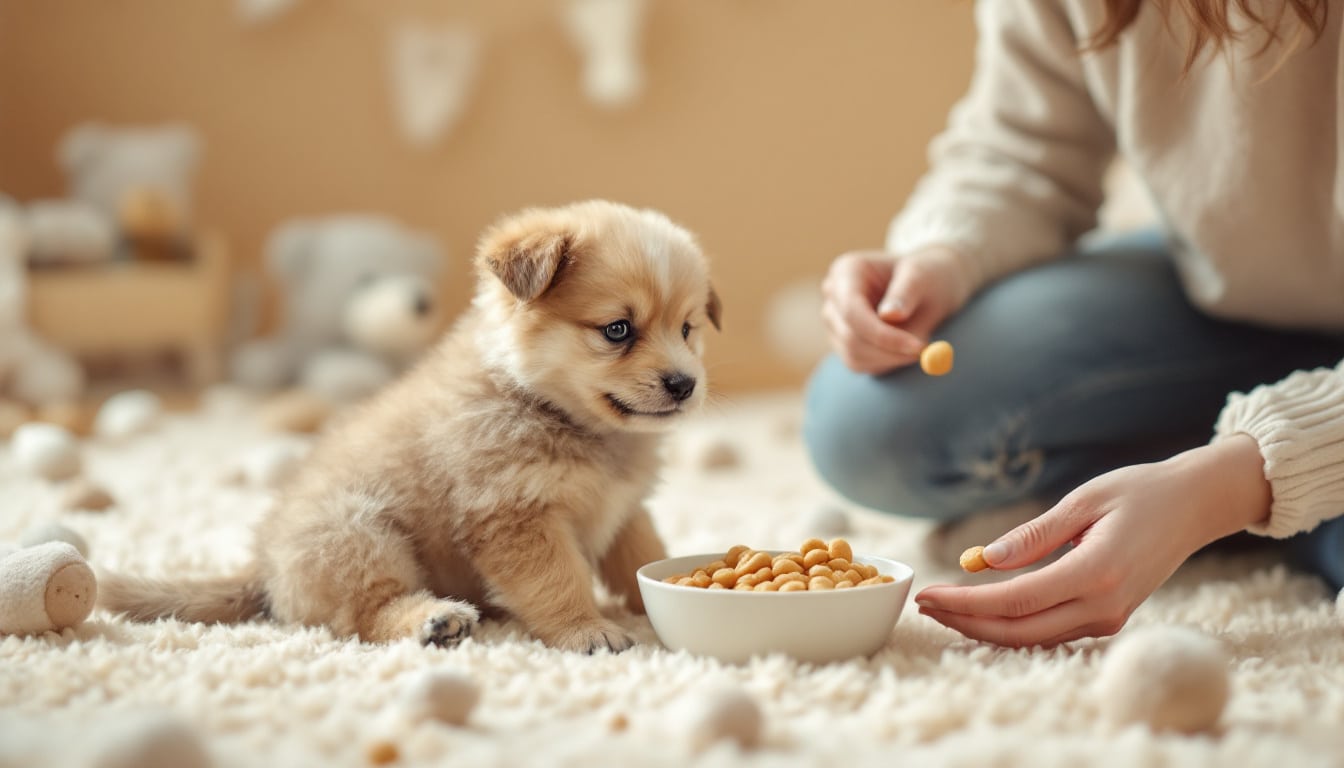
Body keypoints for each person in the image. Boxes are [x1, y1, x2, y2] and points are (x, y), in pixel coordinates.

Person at [803, 0, 1343, 649]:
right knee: (870, 419)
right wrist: (943, 256)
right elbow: (1021, 147)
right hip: (1221, 292)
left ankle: (1286, 494)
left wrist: (1229, 486)